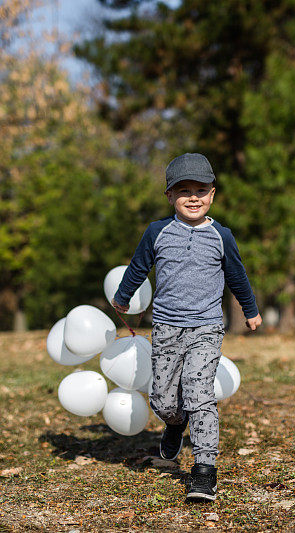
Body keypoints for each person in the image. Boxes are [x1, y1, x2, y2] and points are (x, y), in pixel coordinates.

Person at [111, 152, 262, 502]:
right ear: (169, 196)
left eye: (201, 189)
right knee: (163, 400)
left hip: (206, 328)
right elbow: (137, 267)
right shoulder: (157, 232)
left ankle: (204, 472)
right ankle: (175, 424)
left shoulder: (221, 236)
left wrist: (250, 309)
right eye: (183, 190)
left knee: (199, 393)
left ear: (212, 194)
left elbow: (236, 275)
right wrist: (123, 297)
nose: (193, 197)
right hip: (165, 327)